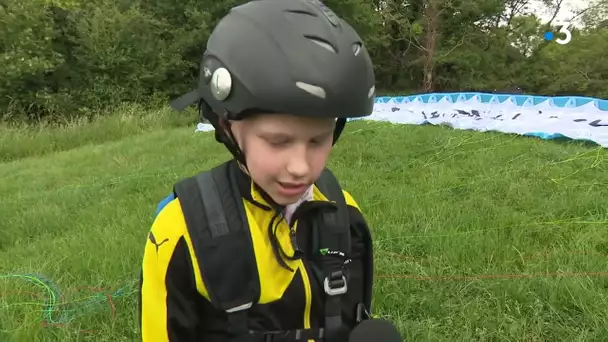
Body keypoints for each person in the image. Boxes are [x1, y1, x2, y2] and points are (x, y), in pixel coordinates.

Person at [138, 0, 376, 340]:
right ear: (226, 125)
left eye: (318, 141)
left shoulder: (343, 215)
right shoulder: (182, 233)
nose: (301, 167)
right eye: (278, 142)